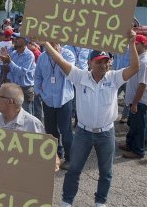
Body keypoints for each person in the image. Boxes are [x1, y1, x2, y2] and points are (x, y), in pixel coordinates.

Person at [41, 30, 139, 207]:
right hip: (83, 133)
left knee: (106, 172)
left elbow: (134, 68)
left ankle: (100, 202)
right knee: (74, 170)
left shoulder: (114, 78)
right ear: (90, 63)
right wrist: (46, 43)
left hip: (106, 133)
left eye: (106, 61)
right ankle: (66, 201)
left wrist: (131, 43)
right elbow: (60, 61)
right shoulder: (80, 77)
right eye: (99, 61)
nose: (103, 65)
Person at [34, 42, 75, 170]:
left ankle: (70, 158)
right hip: (48, 100)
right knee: (51, 130)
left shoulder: (68, 54)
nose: (51, 44)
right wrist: (40, 92)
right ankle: (56, 155)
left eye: (54, 41)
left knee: (65, 130)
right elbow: (38, 76)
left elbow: (67, 73)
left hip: (64, 100)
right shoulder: (42, 57)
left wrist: (57, 55)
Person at [119, 34, 147, 159]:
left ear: (144, 45)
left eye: (137, 44)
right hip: (135, 100)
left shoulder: (144, 62)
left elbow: (142, 85)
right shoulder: (138, 59)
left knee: (139, 126)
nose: (134, 45)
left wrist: (135, 103)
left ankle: (138, 151)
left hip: (139, 101)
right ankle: (130, 144)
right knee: (133, 124)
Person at [0, 33, 36, 115]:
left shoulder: (29, 55)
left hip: (25, 88)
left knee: (26, 115)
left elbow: (21, 73)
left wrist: (9, 62)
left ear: (25, 41)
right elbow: (10, 70)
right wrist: (4, 63)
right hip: (14, 88)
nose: (15, 40)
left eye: (19, 38)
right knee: (15, 113)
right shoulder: (13, 53)